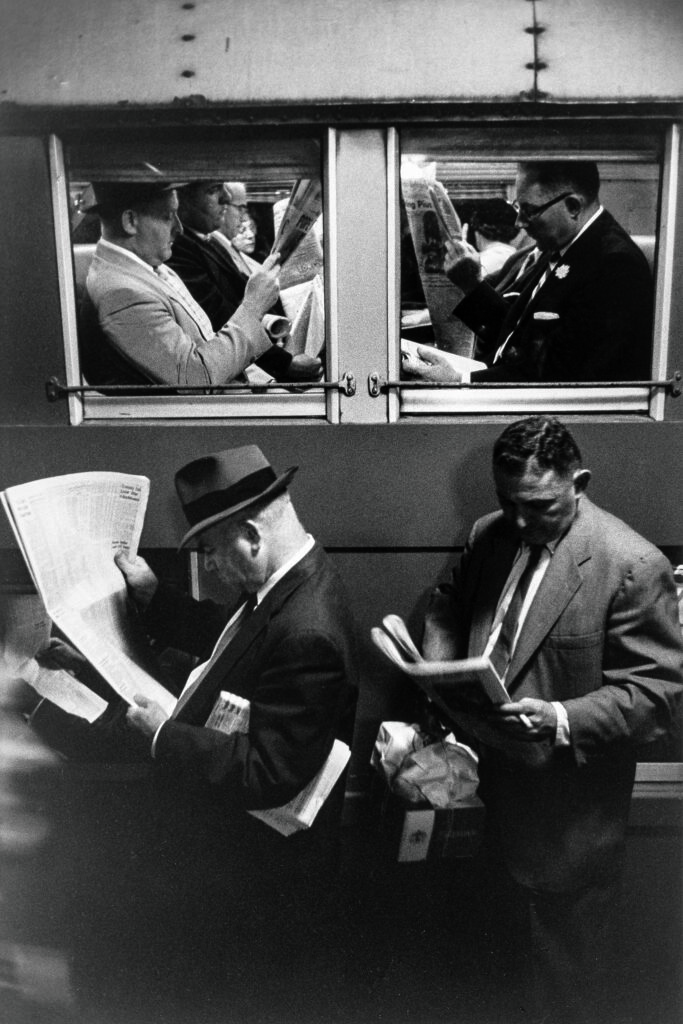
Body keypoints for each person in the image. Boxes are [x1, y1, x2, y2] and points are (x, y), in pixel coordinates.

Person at [28, 445, 359, 1021]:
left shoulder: (310, 632)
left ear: (252, 535)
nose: (210, 568)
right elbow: (234, 647)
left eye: (212, 551)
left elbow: (271, 772)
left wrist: (162, 736)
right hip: (243, 867)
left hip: (259, 881)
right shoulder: (292, 580)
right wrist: (155, 601)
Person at [421, 416, 683, 1024]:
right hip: (484, 816)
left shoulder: (631, 565)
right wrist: (437, 673)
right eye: (506, 503)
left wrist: (562, 717)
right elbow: (448, 600)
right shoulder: (491, 533)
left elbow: (661, 696)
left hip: (565, 839)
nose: (518, 522)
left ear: (580, 483)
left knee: (558, 1004)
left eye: (537, 506)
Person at [403, 161, 654, 384]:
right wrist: (472, 287)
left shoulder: (615, 266)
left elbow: (559, 377)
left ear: (573, 206)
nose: (519, 223)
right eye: (517, 207)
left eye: (530, 211)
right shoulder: (562, 244)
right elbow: (518, 335)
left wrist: (462, 380)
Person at [79, 179, 285, 388]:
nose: (179, 228)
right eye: (168, 217)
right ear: (131, 221)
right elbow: (197, 379)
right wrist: (253, 307)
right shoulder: (122, 294)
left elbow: (206, 341)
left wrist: (266, 382)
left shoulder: (147, 266)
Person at [168, 180, 322, 383]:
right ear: (180, 199)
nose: (226, 196)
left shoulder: (208, 240)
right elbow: (218, 314)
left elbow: (236, 297)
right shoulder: (179, 248)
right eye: (213, 189)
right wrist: (284, 364)